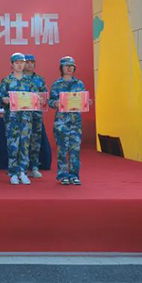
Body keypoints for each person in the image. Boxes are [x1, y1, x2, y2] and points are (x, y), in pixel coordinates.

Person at [48, 56, 86, 186]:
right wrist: (55, 103)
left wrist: (86, 102)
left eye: (71, 66)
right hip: (61, 121)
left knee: (75, 149)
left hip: (75, 121)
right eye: (66, 66)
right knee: (62, 149)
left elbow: (82, 100)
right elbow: (50, 101)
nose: (69, 68)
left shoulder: (79, 84)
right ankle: (63, 175)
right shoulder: (56, 84)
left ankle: (74, 175)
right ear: (61, 68)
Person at [0, 53, 34, 185]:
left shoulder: (29, 81)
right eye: (17, 62)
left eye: (22, 62)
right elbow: (0, 96)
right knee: (13, 146)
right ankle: (13, 173)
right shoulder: (6, 81)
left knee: (25, 145)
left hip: (26, 118)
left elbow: (34, 97)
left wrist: (38, 99)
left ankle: (23, 172)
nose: (20, 65)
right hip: (11, 119)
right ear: (12, 64)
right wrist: (4, 99)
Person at [24, 53, 47, 179]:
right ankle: (21, 168)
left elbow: (44, 97)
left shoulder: (40, 80)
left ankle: (34, 167)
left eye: (31, 62)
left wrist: (43, 100)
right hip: (22, 116)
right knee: (22, 142)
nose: (29, 65)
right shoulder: (18, 79)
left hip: (36, 115)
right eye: (27, 62)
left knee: (35, 141)